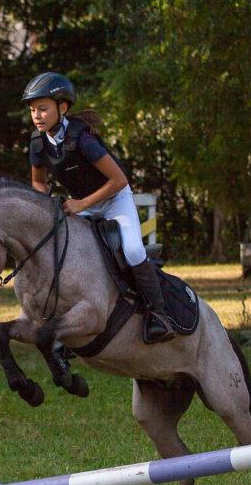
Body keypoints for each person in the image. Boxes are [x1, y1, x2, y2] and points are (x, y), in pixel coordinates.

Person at [22, 71, 175, 344]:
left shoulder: (83, 140)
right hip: (80, 204)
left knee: (133, 249)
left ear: (62, 107)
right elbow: (38, 182)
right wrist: (45, 203)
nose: (37, 116)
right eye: (33, 110)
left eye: (43, 108)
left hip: (115, 199)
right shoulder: (37, 143)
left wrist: (81, 203)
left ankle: (159, 316)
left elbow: (119, 180)